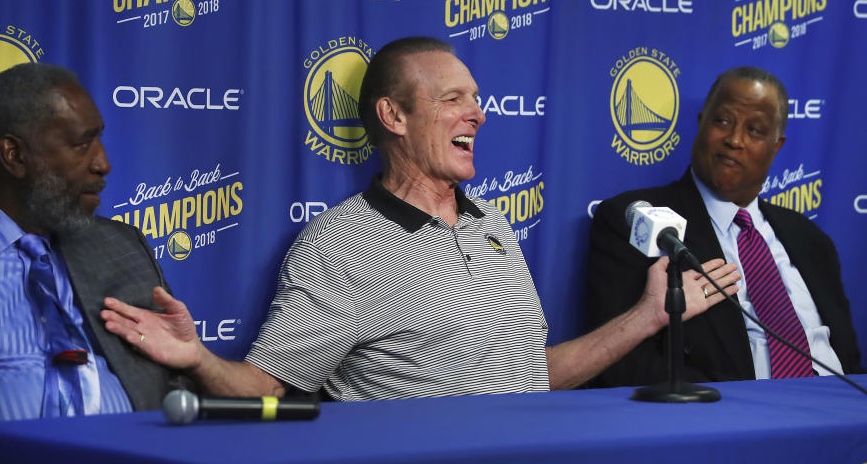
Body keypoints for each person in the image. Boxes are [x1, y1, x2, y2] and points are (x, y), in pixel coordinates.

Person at [101, 37, 739, 401]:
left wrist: (649, 316)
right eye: (452, 99)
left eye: (478, 98)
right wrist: (197, 361)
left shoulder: (492, 222)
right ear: (394, 117)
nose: (478, 114)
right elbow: (268, 387)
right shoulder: (341, 244)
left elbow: (532, 376)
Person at [0, 63, 181, 464]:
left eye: (99, 140)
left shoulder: (120, 246)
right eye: (81, 144)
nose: (103, 164)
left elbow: (180, 393)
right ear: (13, 155)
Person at [586, 66, 864, 388]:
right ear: (701, 122)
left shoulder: (811, 240)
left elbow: (850, 360)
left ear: (776, 147)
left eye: (755, 130)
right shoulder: (638, 220)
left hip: (840, 412)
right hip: (734, 419)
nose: (735, 140)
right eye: (722, 121)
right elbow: (626, 363)